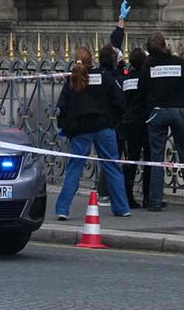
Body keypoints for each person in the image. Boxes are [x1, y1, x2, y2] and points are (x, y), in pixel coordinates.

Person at [52, 46, 130, 221]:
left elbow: (62, 107)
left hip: (81, 129)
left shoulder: (73, 79)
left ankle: (63, 209)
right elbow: (119, 101)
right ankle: (122, 208)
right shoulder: (104, 77)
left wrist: (67, 127)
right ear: (92, 60)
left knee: (74, 168)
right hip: (104, 127)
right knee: (112, 167)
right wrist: (113, 120)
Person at [141, 30, 184, 212]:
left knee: (157, 158)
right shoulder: (178, 62)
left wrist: (148, 112)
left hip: (157, 112)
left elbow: (142, 90)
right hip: (178, 111)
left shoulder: (148, 66)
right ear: (164, 44)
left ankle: (155, 200)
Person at [117, 45, 154, 210]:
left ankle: (128, 195)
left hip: (128, 122)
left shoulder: (126, 79)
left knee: (131, 160)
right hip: (144, 122)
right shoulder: (146, 78)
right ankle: (147, 197)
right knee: (148, 160)